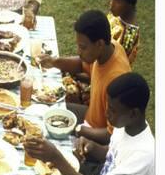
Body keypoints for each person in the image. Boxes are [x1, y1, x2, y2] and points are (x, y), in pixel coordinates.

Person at [24, 73, 155, 175]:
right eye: (108, 106)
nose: (107, 113)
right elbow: (113, 155)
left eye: (112, 110)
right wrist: (92, 147)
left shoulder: (142, 156)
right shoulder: (127, 125)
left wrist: (56, 158)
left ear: (133, 113)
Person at [39, 10, 131, 143]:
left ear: (99, 44)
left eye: (83, 47)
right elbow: (82, 64)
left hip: (96, 139)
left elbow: (111, 135)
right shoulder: (109, 47)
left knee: (49, 143)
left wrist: (77, 129)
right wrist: (54, 62)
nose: (78, 52)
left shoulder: (117, 80)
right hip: (89, 116)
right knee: (44, 110)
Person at [107, 0, 148, 66]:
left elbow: (112, 69)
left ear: (130, 3)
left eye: (117, 0)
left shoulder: (128, 36)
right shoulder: (116, 14)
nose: (111, 4)